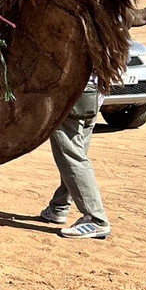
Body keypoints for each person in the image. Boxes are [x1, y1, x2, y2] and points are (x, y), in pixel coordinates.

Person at [37, 76, 110, 239]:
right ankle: (59, 207)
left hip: (72, 95)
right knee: (76, 155)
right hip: (95, 95)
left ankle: (96, 219)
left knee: (71, 157)